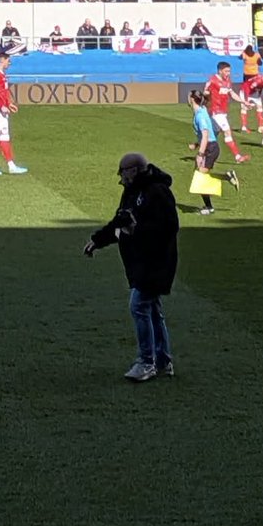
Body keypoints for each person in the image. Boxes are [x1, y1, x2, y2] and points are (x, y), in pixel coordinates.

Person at [83, 152, 179, 382]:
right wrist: (98, 240)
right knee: (152, 309)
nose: (121, 178)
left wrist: (138, 230)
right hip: (140, 261)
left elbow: (169, 227)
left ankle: (147, 362)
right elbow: (121, 221)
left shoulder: (157, 192)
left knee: (139, 305)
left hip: (156, 262)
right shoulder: (132, 191)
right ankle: (162, 360)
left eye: (123, 173)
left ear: (134, 171)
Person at [187, 88, 240, 215]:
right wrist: (197, 144)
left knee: (200, 178)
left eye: (188, 97)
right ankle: (227, 177)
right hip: (209, 146)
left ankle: (209, 207)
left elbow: (206, 135)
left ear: (192, 99)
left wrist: (200, 154)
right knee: (199, 177)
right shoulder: (202, 110)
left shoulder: (200, 115)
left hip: (210, 149)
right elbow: (212, 130)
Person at [0, 50, 27, 176]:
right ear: (3, 61)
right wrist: (1, 106)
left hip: (0, 110)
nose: (10, 63)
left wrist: (8, 104)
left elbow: (2, 92)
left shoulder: (2, 74)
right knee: (4, 137)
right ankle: (11, 166)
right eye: (8, 61)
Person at [205, 61, 251, 163]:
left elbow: (232, 93)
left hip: (223, 111)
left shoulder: (228, 81)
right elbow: (205, 92)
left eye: (229, 71)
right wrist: (207, 97)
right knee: (227, 131)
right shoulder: (213, 80)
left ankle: (203, 151)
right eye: (226, 71)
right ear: (220, 71)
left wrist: (243, 102)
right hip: (216, 111)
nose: (228, 73)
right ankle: (238, 157)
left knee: (213, 134)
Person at [239, 45, 263, 138]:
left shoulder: (246, 54)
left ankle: (246, 126)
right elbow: (260, 63)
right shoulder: (255, 55)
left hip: (248, 74)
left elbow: (240, 57)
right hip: (253, 74)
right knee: (257, 105)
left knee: (246, 106)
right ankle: (259, 126)